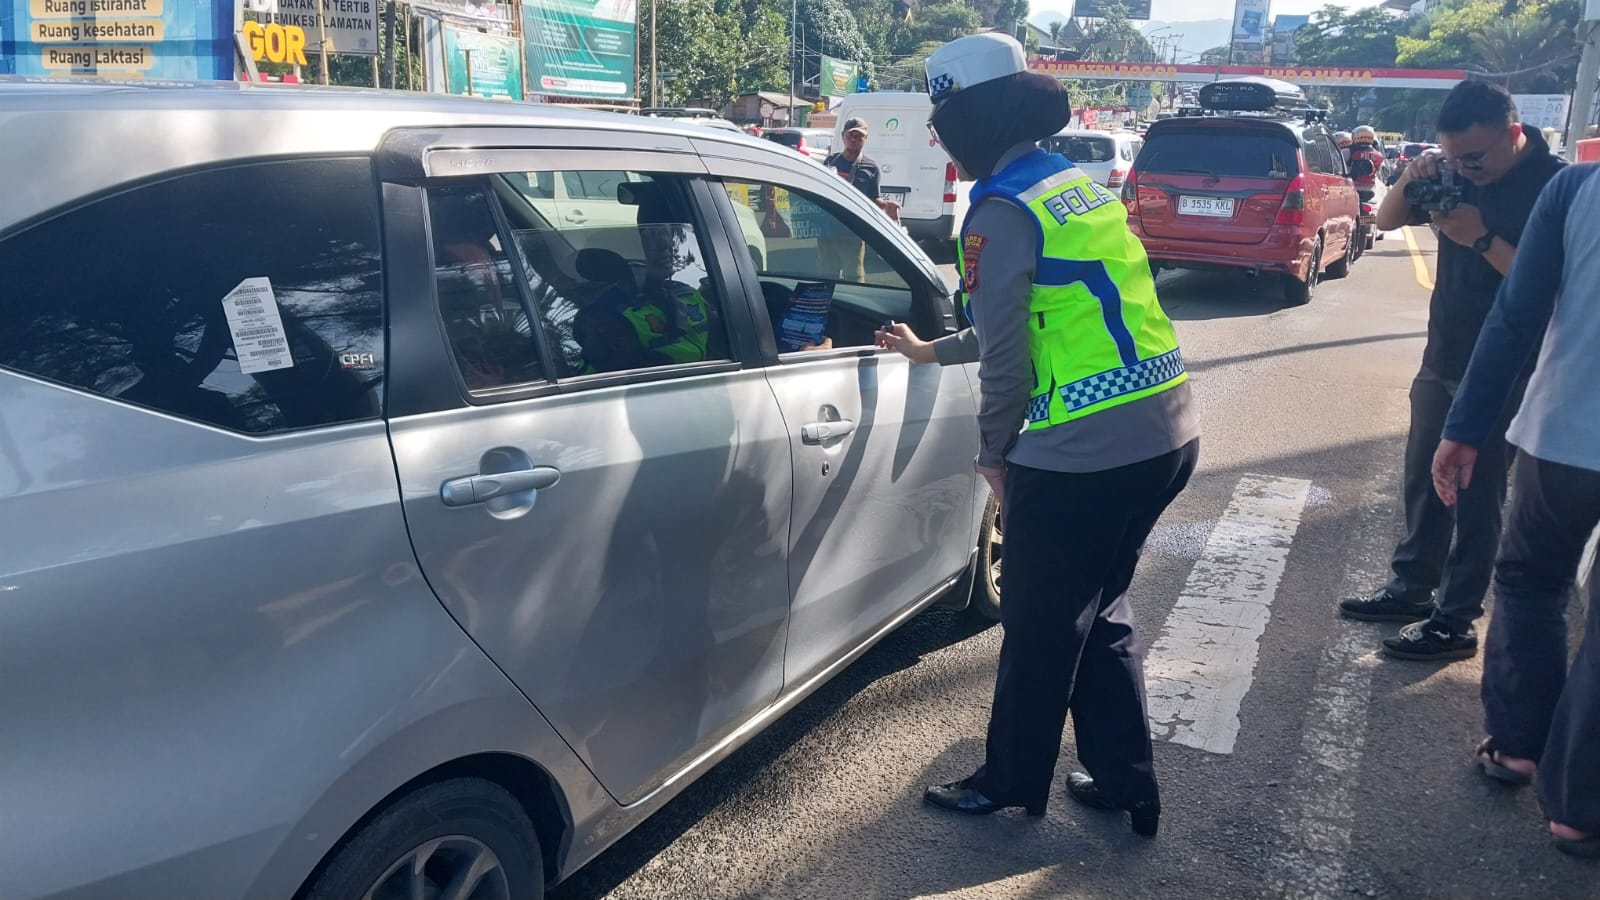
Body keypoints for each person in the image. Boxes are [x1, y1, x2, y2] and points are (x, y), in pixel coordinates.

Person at [876, 32, 1199, 836]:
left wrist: (993, 457)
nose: (936, 132)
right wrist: (931, 348)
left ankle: (1008, 781)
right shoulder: (1069, 185)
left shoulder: (997, 207)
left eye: (943, 115)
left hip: (1084, 454)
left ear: (972, 119)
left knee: (1038, 625)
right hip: (1166, 432)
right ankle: (1129, 783)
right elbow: (1027, 317)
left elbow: (1011, 362)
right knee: (1102, 608)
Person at [1339, 80, 1566, 661]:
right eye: (1455, 156)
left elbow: (1554, 290)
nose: (1466, 169)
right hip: (1441, 353)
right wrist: (1413, 177)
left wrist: (1481, 237)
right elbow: (1388, 220)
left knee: (1476, 492)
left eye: (1475, 157)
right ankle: (1412, 587)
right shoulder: (1454, 171)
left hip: (1506, 370)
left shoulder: (1556, 186)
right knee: (1423, 478)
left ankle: (1456, 618)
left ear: (1513, 134)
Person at [1432, 162, 1600, 859]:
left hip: (1564, 434)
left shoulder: (1579, 188)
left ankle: (1518, 747)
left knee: (1532, 580)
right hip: (1562, 433)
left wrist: (1465, 426)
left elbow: (1516, 315)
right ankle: (1580, 807)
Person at [819, 118, 898, 282]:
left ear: (865, 139)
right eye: (851, 135)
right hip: (827, 230)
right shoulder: (830, 162)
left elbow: (873, 198)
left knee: (854, 277)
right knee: (826, 277)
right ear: (843, 136)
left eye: (859, 136)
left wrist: (885, 205)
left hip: (853, 231)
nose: (854, 139)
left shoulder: (871, 167)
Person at [1348, 125, 1385, 202]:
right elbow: (1380, 174)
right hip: (1371, 189)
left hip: (1351, 188)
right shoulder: (1379, 155)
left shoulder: (1348, 152)